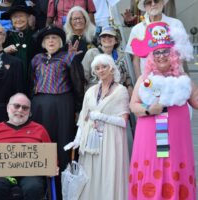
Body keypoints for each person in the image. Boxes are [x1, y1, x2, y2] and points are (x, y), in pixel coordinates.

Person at [128, 21, 198, 199]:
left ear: (173, 54)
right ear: (151, 56)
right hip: (149, 138)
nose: (161, 56)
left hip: (177, 139)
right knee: (150, 169)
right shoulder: (145, 80)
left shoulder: (183, 79)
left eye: (165, 51)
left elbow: (196, 101)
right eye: (157, 52)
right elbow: (133, 105)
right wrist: (149, 109)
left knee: (176, 169)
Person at [65, 54, 130, 200]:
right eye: (97, 68)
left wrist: (102, 117)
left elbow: (123, 121)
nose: (101, 70)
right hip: (90, 139)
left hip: (111, 139)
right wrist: (77, 139)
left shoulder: (121, 90)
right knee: (90, 174)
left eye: (104, 67)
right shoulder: (90, 91)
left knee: (108, 173)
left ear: (111, 68)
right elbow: (83, 118)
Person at [0, 93, 52, 200]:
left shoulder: (40, 130)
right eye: (16, 106)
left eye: (25, 108)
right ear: (8, 108)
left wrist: (52, 167)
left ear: (30, 112)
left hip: (30, 174)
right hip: (1, 174)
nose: (20, 110)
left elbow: (51, 158)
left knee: (33, 188)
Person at [31, 25, 80, 199]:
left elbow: (77, 85)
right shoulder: (36, 59)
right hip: (39, 106)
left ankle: (60, 190)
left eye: (54, 38)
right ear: (43, 43)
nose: (51, 41)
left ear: (60, 42)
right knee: (41, 141)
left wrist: (78, 109)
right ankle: (39, 186)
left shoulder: (68, 58)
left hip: (62, 105)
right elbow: (32, 82)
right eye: (48, 39)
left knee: (61, 144)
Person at [125, 0, 189, 79]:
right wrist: (140, 81)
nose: (153, 4)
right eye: (149, 2)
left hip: (173, 79)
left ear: (162, 3)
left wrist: (181, 77)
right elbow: (136, 60)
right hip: (149, 80)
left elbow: (182, 54)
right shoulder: (137, 29)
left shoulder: (176, 24)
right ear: (144, 7)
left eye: (156, 1)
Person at [82, 26, 133, 96]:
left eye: (110, 36)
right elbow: (83, 77)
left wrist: (129, 86)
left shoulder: (121, 55)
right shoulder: (92, 53)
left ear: (116, 40)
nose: (107, 38)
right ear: (99, 40)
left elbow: (127, 75)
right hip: (97, 94)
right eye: (104, 36)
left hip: (117, 93)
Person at [63, 6, 96, 111]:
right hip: (73, 82)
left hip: (91, 80)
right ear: (70, 22)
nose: (78, 21)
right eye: (75, 19)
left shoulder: (94, 36)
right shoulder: (65, 40)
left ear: (85, 19)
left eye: (80, 18)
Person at [1, 2, 36, 96]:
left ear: (28, 17)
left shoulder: (36, 36)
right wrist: (4, 51)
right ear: (11, 20)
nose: (18, 19)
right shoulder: (5, 37)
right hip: (10, 81)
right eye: (15, 17)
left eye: (21, 16)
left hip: (32, 82)